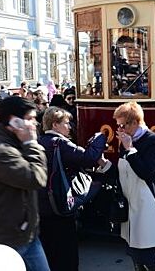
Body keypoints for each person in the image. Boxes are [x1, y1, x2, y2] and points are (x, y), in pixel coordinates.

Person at [0, 97, 49, 270]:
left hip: (24, 233)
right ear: (14, 121)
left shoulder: (12, 140)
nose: (34, 124)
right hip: (3, 239)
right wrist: (31, 143)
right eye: (30, 119)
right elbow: (36, 177)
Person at [38, 106, 110, 271]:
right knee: (66, 252)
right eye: (66, 123)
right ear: (55, 125)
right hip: (60, 204)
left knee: (49, 251)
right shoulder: (60, 143)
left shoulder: (39, 141)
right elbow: (89, 158)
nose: (70, 127)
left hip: (41, 206)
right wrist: (100, 137)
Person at [113, 101, 155, 271]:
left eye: (123, 125)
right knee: (135, 254)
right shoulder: (126, 140)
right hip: (131, 202)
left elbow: (145, 172)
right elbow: (124, 171)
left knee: (149, 255)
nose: (120, 130)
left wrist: (130, 149)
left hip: (147, 203)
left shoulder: (152, 140)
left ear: (135, 122)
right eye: (118, 126)